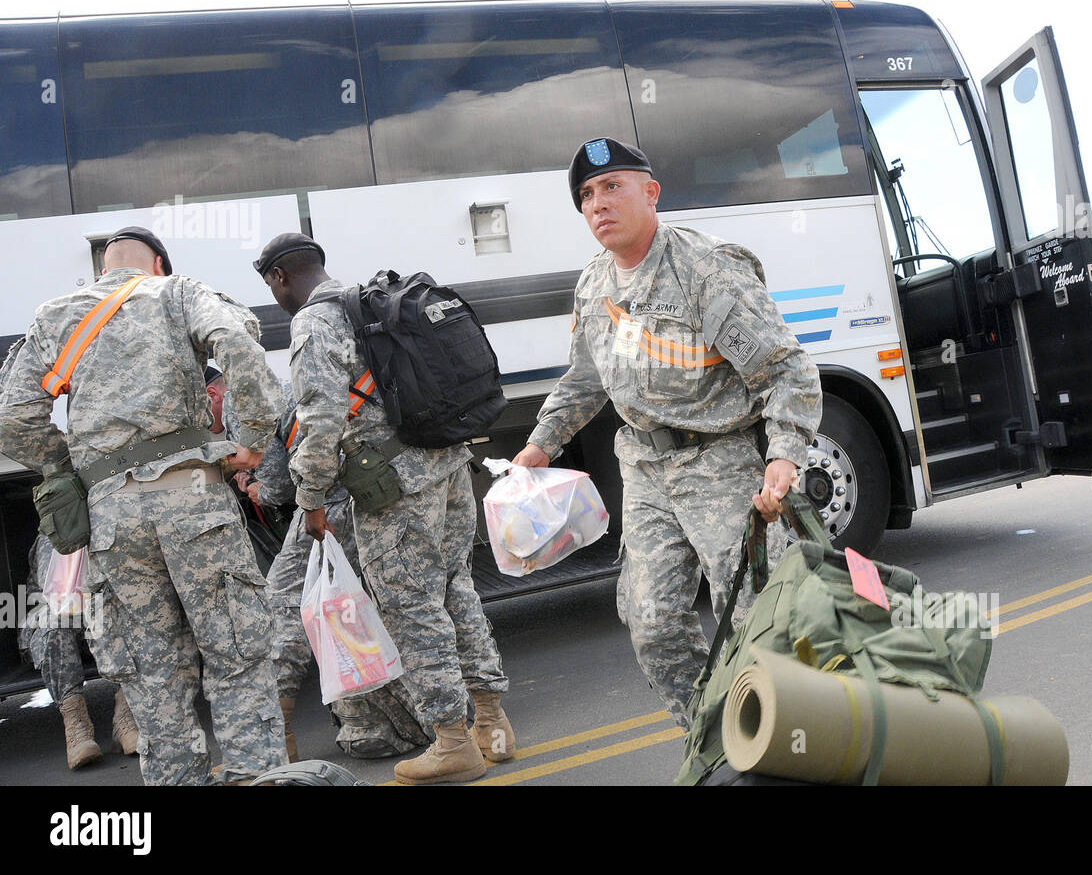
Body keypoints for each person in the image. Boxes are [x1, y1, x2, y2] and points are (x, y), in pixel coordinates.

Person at [512, 138, 822, 729]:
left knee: (759, 623)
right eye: (586, 195)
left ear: (651, 193)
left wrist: (784, 454)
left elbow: (785, 368)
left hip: (720, 463)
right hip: (645, 470)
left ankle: (794, 745)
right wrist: (541, 443)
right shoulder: (594, 283)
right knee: (652, 625)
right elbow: (584, 377)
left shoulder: (705, 272)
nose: (598, 203)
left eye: (612, 187)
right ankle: (716, 743)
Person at [0, 225, 288, 785]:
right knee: (236, 657)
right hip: (193, 500)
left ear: (102, 270)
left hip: (112, 517)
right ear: (158, 263)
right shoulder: (179, 293)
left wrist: (68, 463)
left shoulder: (54, 316)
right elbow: (239, 343)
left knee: (152, 673)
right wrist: (251, 438)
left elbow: (12, 418)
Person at [256, 232, 513, 784]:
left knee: (413, 609)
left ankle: (452, 742)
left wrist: (312, 499)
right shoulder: (369, 307)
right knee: (455, 590)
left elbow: (319, 423)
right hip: (446, 466)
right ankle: (492, 721)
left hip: (393, 490)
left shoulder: (314, 323)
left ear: (279, 278)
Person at [252, 380, 430, 761]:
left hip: (325, 511)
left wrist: (259, 491)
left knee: (287, 607)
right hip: (385, 498)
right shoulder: (367, 372)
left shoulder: (263, 398)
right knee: (379, 611)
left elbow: (281, 485)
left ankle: (278, 737)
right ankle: (427, 718)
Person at [21, 534, 140, 769]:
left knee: (130, 610)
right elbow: (61, 597)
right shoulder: (53, 536)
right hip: (57, 614)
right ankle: (76, 725)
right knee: (55, 623)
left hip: (96, 616)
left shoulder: (107, 522)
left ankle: (126, 715)